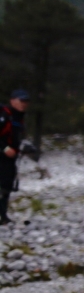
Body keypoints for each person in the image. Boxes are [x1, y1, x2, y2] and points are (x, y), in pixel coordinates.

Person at [0, 90, 27, 225]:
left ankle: (3, 215)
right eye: (21, 101)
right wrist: (4, 148)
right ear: (12, 100)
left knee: (6, 185)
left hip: (11, 158)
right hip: (2, 156)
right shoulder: (5, 115)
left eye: (26, 101)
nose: (24, 104)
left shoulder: (19, 118)